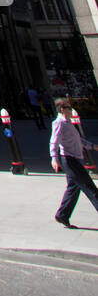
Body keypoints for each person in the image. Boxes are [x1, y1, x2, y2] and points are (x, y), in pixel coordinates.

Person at [50, 96, 98, 227]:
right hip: (70, 161)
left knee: (73, 188)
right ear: (62, 110)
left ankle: (62, 215)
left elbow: (78, 140)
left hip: (76, 159)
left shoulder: (68, 123)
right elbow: (54, 141)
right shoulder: (59, 123)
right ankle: (62, 215)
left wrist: (92, 146)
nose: (72, 110)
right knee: (90, 188)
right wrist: (54, 158)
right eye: (69, 108)